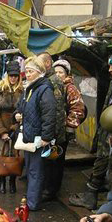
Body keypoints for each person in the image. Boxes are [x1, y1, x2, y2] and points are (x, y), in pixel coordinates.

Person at [69, 49, 112, 212]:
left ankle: (94, 196)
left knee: (109, 162)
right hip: (106, 129)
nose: (110, 69)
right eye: (109, 65)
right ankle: (93, 194)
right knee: (102, 159)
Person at [15, 56, 56, 211]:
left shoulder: (44, 90)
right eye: (26, 71)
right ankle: (31, 199)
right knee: (31, 169)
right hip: (29, 136)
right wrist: (17, 114)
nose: (27, 74)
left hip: (38, 137)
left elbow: (49, 114)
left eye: (31, 71)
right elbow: (20, 107)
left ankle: (32, 203)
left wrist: (46, 137)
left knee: (35, 171)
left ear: (39, 72)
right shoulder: (29, 89)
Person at [47, 58, 86, 198]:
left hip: (62, 133)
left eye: (61, 72)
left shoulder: (70, 88)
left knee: (56, 160)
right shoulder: (52, 85)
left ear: (67, 74)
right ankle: (49, 186)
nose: (58, 75)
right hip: (51, 131)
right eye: (56, 72)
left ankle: (53, 190)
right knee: (50, 159)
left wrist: (69, 127)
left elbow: (78, 109)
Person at [37, 52, 67, 202]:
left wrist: (52, 134)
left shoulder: (53, 81)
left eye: (39, 63)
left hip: (54, 132)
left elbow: (57, 109)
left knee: (53, 163)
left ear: (48, 63)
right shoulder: (45, 79)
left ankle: (50, 191)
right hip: (49, 130)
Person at [0, 60, 23, 194]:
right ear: (7, 76)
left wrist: (17, 127)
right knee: (3, 155)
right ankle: (2, 181)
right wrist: (2, 132)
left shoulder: (23, 91)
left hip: (17, 128)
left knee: (15, 155)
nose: (13, 78)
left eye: (15, 75)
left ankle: (12, 181)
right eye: (11, 75)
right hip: (3, 126)